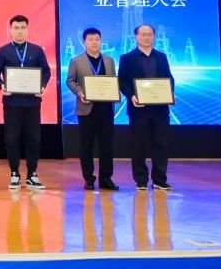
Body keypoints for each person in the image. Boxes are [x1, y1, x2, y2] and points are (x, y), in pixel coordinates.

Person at [0, 15, 52, 190]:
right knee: (12, 139)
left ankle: (32, 174)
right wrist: (1, 85)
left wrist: (42, 86)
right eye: (16, 28)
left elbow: (46, 71)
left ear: (28, 29)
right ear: (11, 30)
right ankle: (14, 173)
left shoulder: (36, 50)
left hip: (33, 103)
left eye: (23, 27)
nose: (19, 31)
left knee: (34, 139)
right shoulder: (3, 51)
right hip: (12, 103)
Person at [118, 23, 176, 192]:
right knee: (138, 145)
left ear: (154, 36)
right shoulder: (127, 58)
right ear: (136, 37)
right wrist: (132, 96)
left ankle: (159, 180)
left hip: (160, 109)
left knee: (161, 144)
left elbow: (169, 78)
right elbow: (122, 81)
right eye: (143, 34)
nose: (146, 37)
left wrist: (170, 93)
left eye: (149, 34)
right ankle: (141, 180)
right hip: (138, 109)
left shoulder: (162, 57)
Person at [66, 27, 120, 191]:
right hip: (86, 110)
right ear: (84, 42)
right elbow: (70, 81)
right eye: (91, 40)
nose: (94, 42)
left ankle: (106, 178)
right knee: (86, 146)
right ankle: (88, 179)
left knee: (107, 147)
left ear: (101, 41)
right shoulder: (76, 61)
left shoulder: (109, 60)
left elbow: (113, 80)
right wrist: (79, 92)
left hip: (106, 109)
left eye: (97, 39)